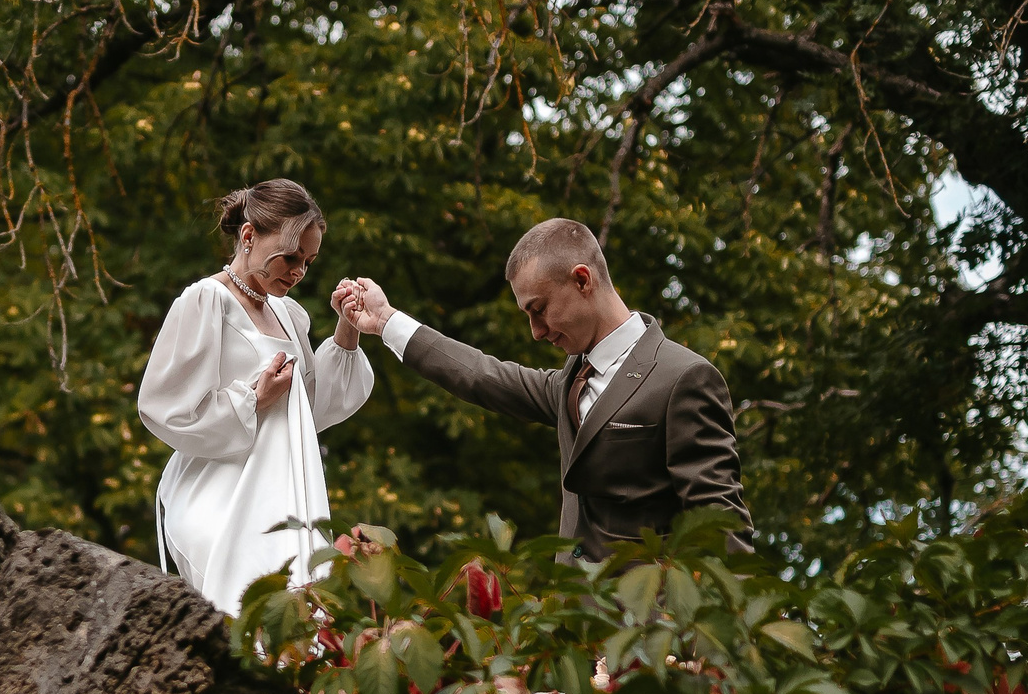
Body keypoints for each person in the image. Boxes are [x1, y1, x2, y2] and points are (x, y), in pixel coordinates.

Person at [334, 219, 751, 559]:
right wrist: (386, 320)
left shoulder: (684, 378)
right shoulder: (570, 379)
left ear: (582, 280)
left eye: (539, 310)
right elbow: (482, 376)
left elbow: (720, 524)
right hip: (571, 634)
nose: (535, 332)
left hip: (652, 639)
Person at [137, 179, 373, 613]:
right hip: (217, 497)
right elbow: (162, 406)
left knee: (303, 625)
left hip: (285, 495)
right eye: (290, 256)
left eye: (309, 261)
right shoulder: (206, 300)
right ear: (249, 237)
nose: (299, 271)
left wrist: (348, 324)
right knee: (248, 619)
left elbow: (312, 409)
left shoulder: (288, 314)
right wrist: (252, 399)